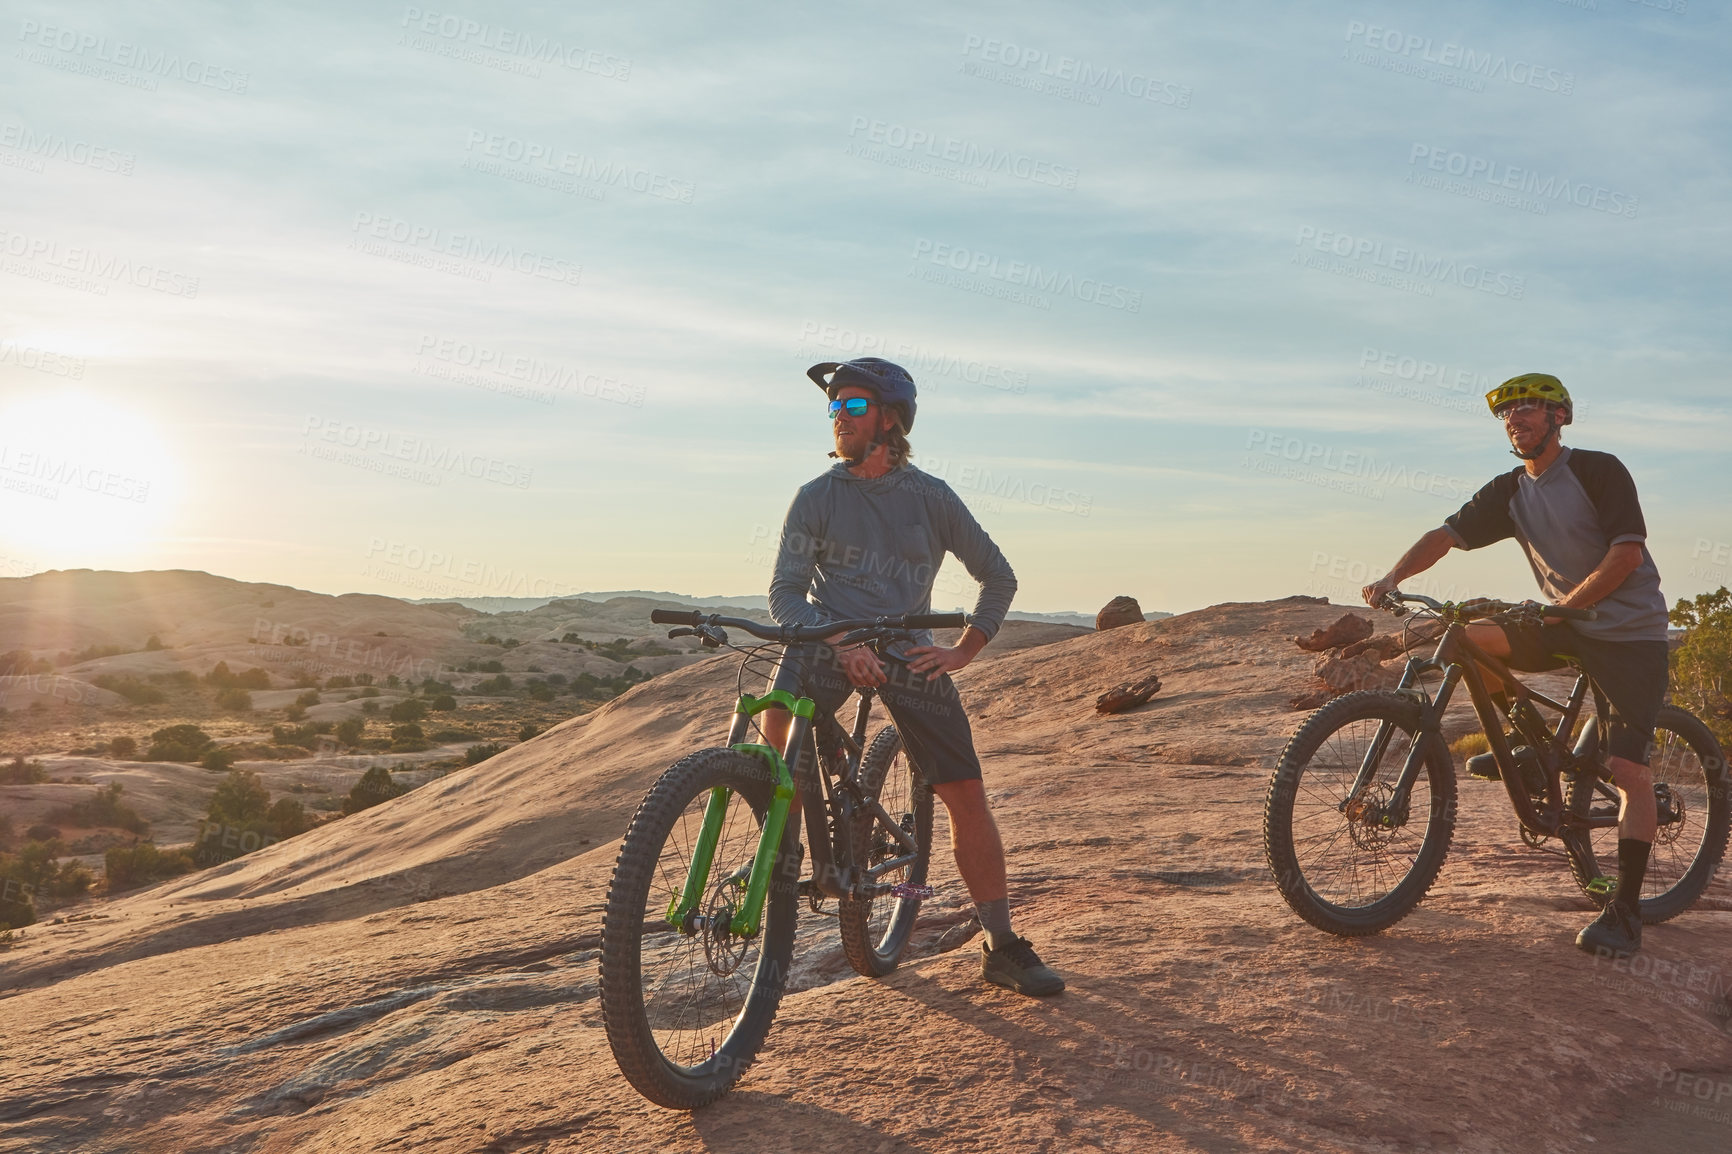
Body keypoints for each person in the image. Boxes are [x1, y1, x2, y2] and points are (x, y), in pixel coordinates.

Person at [759, 356, 1064, 996]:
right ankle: (784, 841)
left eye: (853, 405)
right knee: (775, 708)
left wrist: (963, 650)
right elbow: (785, 594)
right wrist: (840, 642)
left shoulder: (931, 497)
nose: (838, 417)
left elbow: (998, 576)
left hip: (907, 652)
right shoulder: (817, 496)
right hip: (830, 639)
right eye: (834, 407)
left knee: (965, 794)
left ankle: (1001, 944)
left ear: (890, 419)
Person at [1362, 373, 1669, 958]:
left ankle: (1626, 914)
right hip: (1564, 621)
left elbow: (1626, 554)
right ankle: (1530, 749)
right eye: (1507, 414)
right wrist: (1392, 577)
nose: (1515, 419)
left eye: (1528, 408)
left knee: (1627, 769)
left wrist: (1564, 607)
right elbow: (1445, 535)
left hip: (1628, 634)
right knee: (1466, 641)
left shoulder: (1600, 470)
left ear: (1560, 418)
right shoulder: (1509, 490)